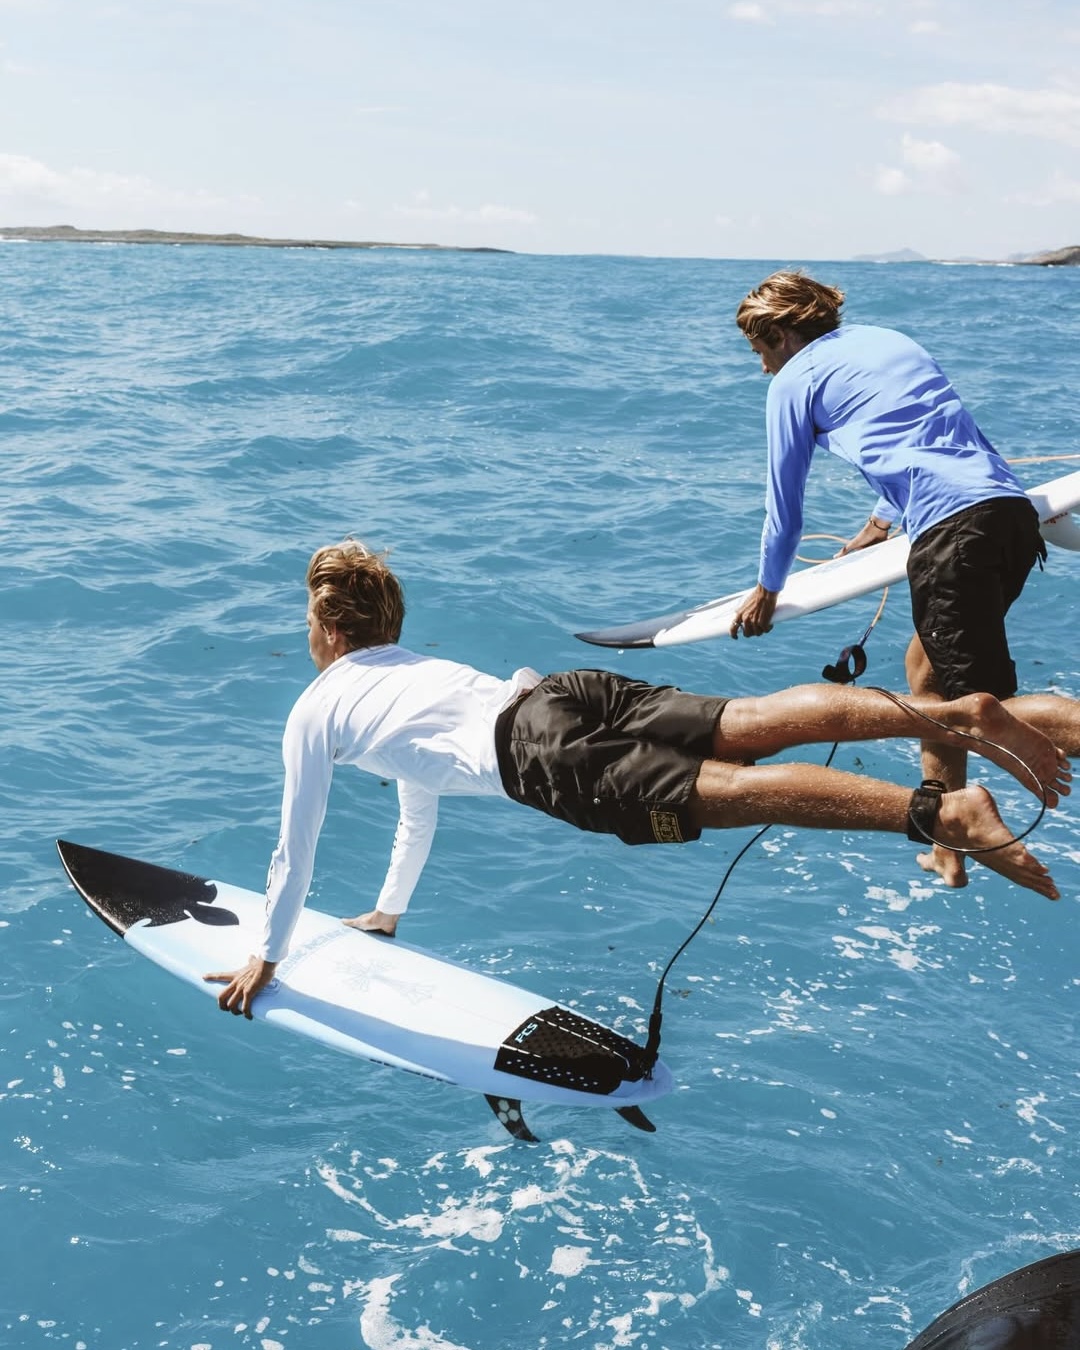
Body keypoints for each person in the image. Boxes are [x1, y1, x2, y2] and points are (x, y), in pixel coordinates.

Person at [206, 540, 1075, 1018]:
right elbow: (417, 807)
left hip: (537, 759)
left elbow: (295, 851)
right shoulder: (413, 672)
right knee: (756, 721)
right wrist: (390, 911)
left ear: (324, 628)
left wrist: (266, 957)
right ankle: (956, 715)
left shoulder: (316, 709)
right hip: (558, 693)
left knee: (724, 794)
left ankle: (943, 812)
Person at [730, 270, 1049, 887]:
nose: (762, 366)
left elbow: (784, 509)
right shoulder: (888, 342)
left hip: (952, 533)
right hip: (1010, 519)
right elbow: (934, 441)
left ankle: (976, 815)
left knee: (981, 709)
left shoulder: (795, 380)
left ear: (782, 333)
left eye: (759, 349)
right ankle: (947, 838)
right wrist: (878, 526)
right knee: (927, 677)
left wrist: (768, 589)